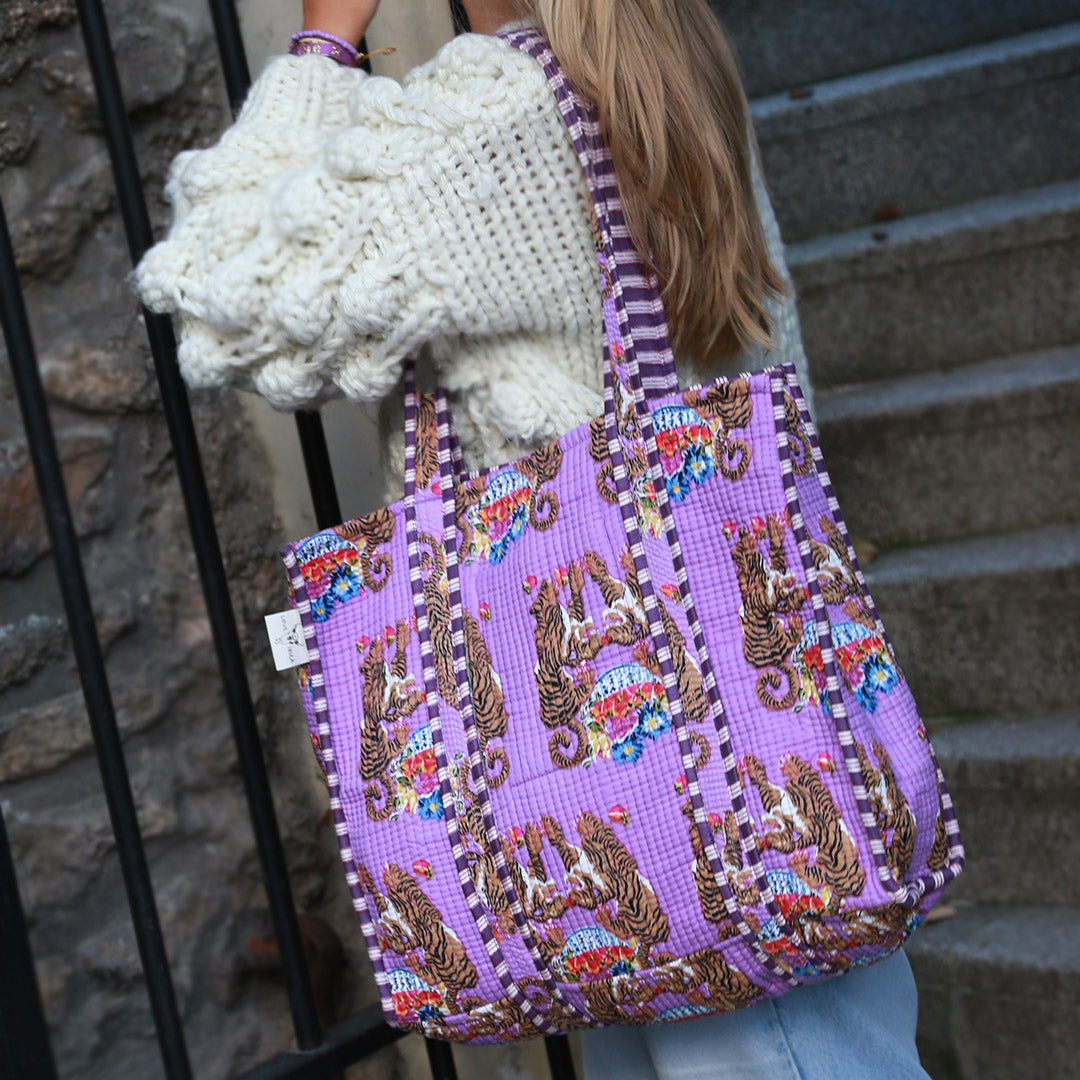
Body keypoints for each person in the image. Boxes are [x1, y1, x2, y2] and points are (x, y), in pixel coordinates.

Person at [133, 1, 931, 1076]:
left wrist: (322, 44)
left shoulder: (495, 112)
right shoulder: (671, 70)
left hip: (639, 799)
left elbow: (216, 291)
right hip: (747, 732)